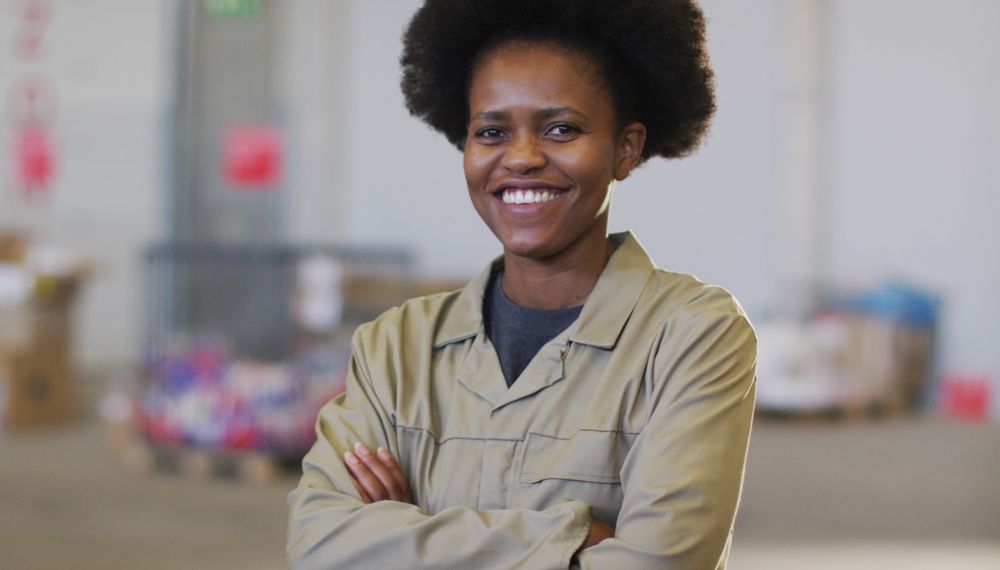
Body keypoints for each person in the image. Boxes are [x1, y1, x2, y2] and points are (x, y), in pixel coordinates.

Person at [287, 1, 757, 568]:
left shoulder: (692, 337)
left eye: (561, 128)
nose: (523, 157)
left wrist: (406, 536)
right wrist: (576, 540)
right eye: (491, 131)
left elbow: (659, 564)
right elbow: (319, 544)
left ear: (626, 149)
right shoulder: (396, 346)